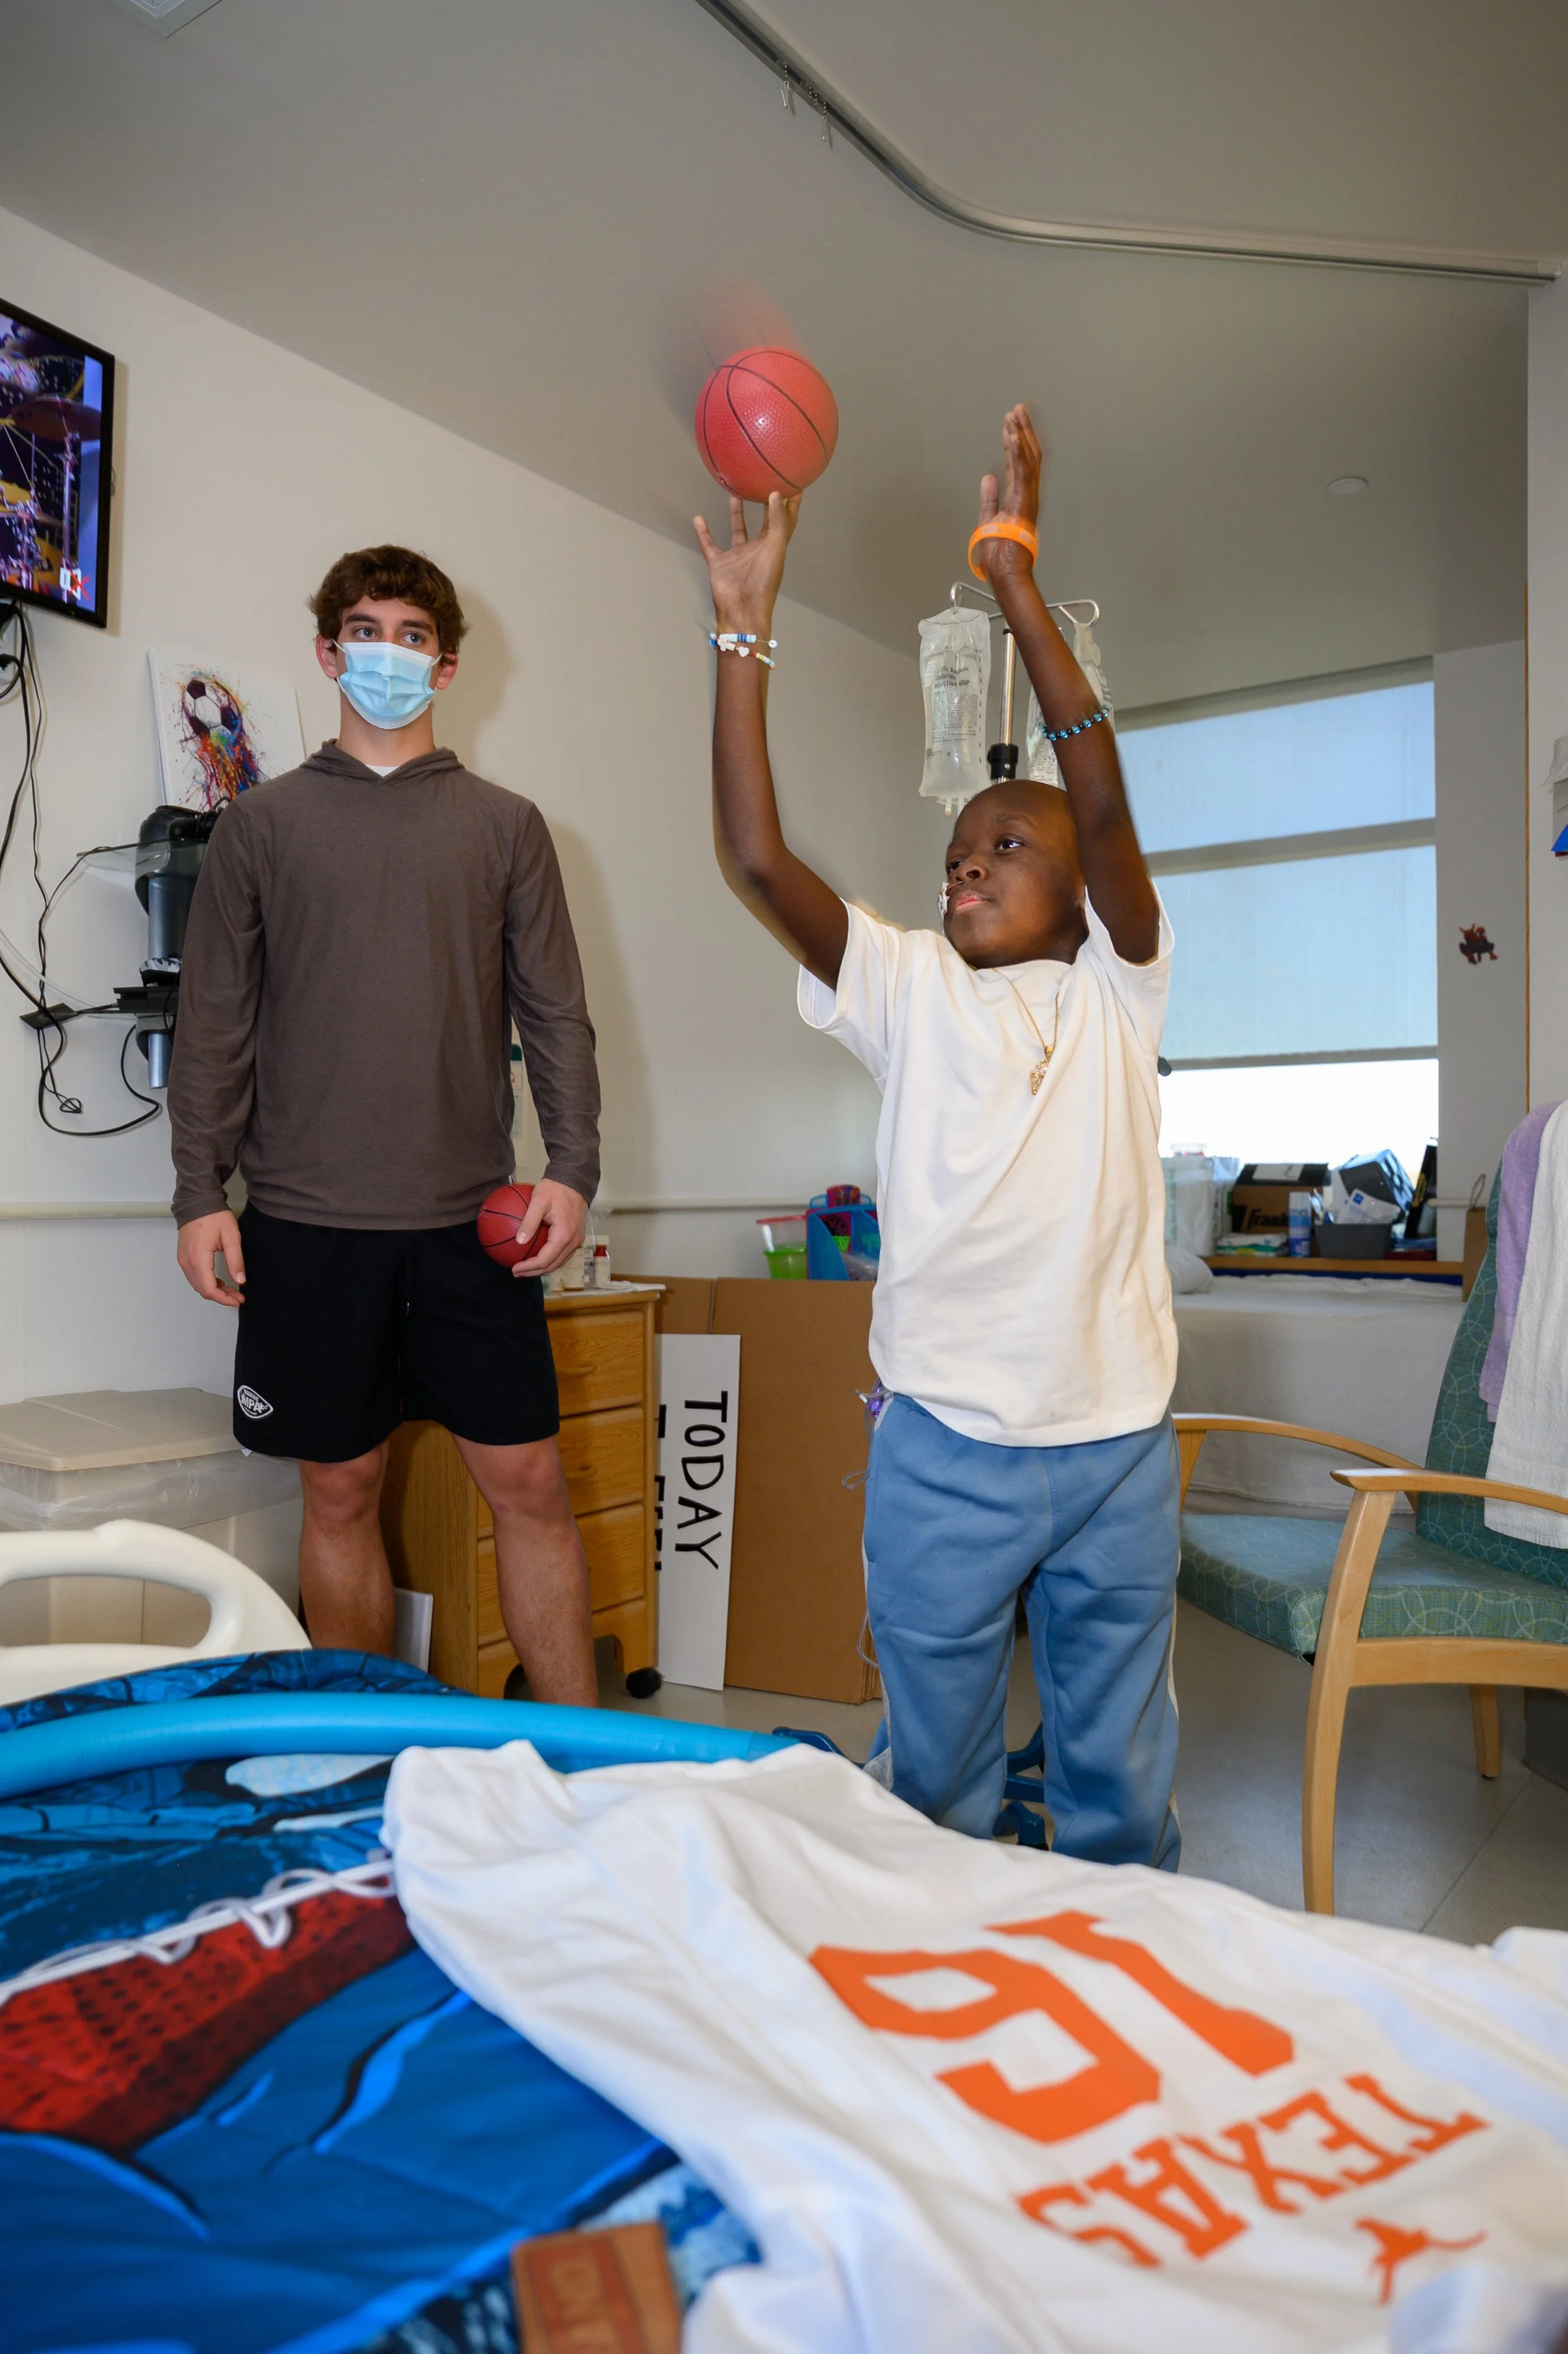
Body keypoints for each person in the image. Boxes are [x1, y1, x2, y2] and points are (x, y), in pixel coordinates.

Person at [693, 407, 1180, 1865]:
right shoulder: (901, 984)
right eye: (955, 851)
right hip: (944, 1450)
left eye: (1006, 846)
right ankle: (934, 1965)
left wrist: (1016, 591)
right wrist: (743, 637)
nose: (968, 861)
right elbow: (754, 857)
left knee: (1115, 1769)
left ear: (1081, 886)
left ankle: (1118, 1956)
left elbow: (1097, 795)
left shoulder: (1119, 981)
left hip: (1114, 1446)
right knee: (937, 1785)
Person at [168, 544, 601, 1702]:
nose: (388, 654)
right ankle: (358, 1766)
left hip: (473, 1230)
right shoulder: (257, 828)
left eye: (413, 637)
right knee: (340, 1491)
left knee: (530, 1487)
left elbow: (556, 1013)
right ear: (327, 651)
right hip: (306, 1228)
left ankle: (603, 1773)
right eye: (366, 630)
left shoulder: (510, 827)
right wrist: (199, 1195)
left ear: (447, 666)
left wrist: (572, 1166)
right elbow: (212, 1025)